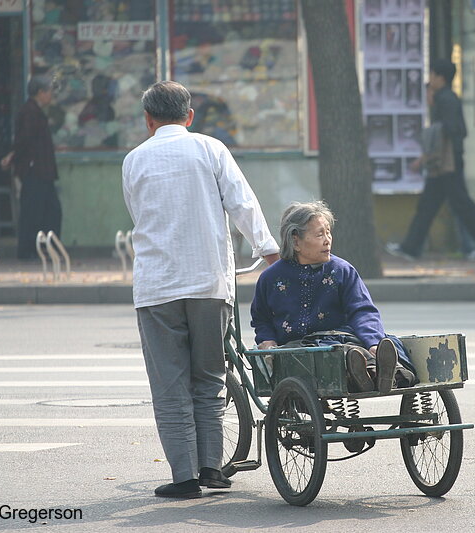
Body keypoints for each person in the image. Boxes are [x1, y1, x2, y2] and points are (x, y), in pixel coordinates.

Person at [122, 81, 280, 499]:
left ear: (148, 120)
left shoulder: (134, 160)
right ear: (189, 116)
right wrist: (268, 252)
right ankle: (213, 468)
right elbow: (242, 203)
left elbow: (138, 213)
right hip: (209, 283)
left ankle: (185, 477)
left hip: (157, 289)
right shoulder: (211, 149)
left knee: (170, 385)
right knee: (209, 378)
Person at [251, 201, 417, 394]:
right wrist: (268, 341)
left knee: (364, 350)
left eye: (328, 232)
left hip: (344, 338)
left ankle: (384, 374)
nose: (327, 239)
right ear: (295, 241)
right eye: (320, 234)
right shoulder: (271, 278)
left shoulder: (342, 270)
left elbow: (362, 310)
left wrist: (373, 342)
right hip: (301, 348)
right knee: (339, 356)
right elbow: (261, 318)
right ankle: (367, 374)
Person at [386, 59, 475, 261]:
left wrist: (425, 156)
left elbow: (451, 131)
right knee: (428, 205)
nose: (430, 80)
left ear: (440, 77)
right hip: (442, 163)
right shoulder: (444, 98)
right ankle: (410, 248)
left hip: (448, 163)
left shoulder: (446, 100)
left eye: (431, 75)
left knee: (461, 204)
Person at [0, 75, 62, 260]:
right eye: (49, 91)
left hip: (43, 171)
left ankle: (46, 250)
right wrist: (13, 156)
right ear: (40, 93)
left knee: (51, 212)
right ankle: (28, 252)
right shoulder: (29, 112)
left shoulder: (36, 112)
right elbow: (24, 141)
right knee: (33, 213)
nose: (51, 95)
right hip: (34, 170)